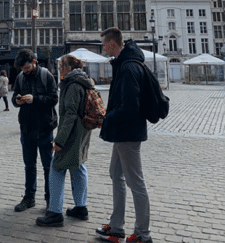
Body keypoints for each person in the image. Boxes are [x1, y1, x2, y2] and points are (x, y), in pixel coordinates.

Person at [96, 28, 153, 243]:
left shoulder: (128, 68)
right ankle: (117, 227)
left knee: (135, 182)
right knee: (116, 174)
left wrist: (107, 117)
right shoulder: (125, 64)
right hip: (122, 133)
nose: (103, 48)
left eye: (104, 45)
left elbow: (130, 108)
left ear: (112, 44)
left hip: (128, 132)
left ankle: (142, 234)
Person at [36, 54, 94, 227]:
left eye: (61, 66)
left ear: (68, 68)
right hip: (82, 131)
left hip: (71, 134)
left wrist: (59, 140)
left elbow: (69, 114)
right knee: (78, 166)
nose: (59, 69)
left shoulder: (73, 84)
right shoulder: (83, 81)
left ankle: (54, 212)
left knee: (56, 169)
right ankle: (81, 207)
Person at [12, 48, 58, 212]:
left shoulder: (47, 76)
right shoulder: (20, 77)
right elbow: (14, 96)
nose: (24, 71)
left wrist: (35, 99)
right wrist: (17, 100)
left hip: (44, 128)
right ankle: (29, 197)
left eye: (26, 68)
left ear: (33, 62)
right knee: (29, 165)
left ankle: (49, 199)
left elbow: (54, 99)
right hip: (27, 128)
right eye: (22, 69)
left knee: (48, 166)